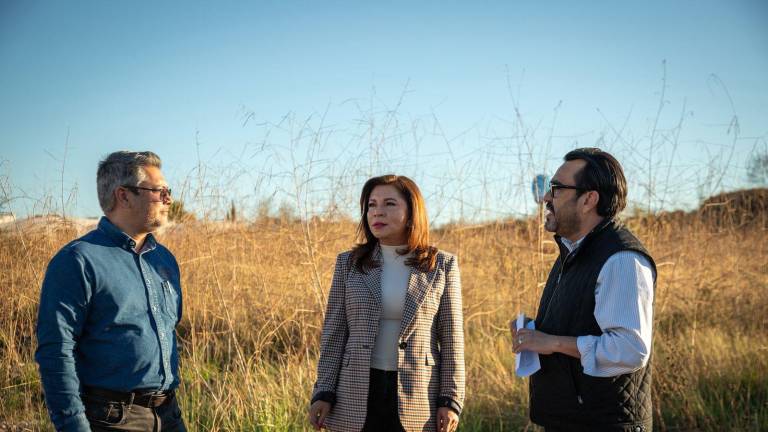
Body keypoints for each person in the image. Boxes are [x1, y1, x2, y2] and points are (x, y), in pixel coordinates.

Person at [35, 151, 186, 432]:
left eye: (168, 191)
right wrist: (72, 425)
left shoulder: (164, 260)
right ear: (124, 196)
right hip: (111, 420)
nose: (169, 199)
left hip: (169, 416)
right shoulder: (77, 261)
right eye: (159, 191)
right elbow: (56, 350)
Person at [512, 148, 656, 432]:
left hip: (602, 424)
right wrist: (534, 333)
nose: (545, 198)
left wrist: (551, 342)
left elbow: (630, 349)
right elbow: (579, 322)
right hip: (570, 420)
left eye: (556, 189)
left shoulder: (622, 259)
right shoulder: (573, 250)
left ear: (589, 199)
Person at [308, 175, 465, 432]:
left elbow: (451, 339)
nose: (377, 212)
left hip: (417, 395)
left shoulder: (441, 265)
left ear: (412, 212)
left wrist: (450, 400)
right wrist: (323, 390)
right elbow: (334, 333)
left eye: (390, 204)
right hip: (354, 392)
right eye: (372, 205)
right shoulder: (349, 263)